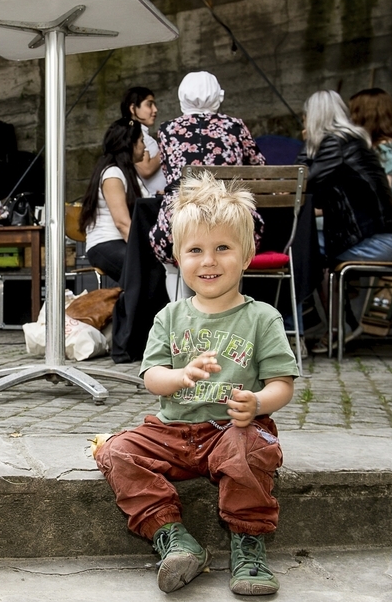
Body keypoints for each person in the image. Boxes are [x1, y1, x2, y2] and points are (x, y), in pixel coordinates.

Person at [94, 171, 297, 597]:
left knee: (252, 447)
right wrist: (181, 376)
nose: (209, 261)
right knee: (116, 450)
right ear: (177, 257)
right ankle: (173, 537)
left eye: (223, 248)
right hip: (172, 431)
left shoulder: (262, 318)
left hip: (230, 430)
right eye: (196, 250)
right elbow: (151, 377)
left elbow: (282, 384)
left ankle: (248, 544)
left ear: (246, 255)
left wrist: (258, 401)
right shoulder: (169, 317)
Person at [297, 90, 392, 350]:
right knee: (304, 248)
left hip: (374, 241)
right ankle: (332, 325)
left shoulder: (338, 145)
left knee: (298, 251)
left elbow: (301, 183)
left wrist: (307, 145)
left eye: (306, 116)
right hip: (376, 236)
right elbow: (311, 188)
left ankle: (306, 326)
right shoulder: (348, 143)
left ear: (314, 118)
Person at [151, 71, 266, 297]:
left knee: (172, 262)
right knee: (233, 252)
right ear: (217, 95)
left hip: (182, 216)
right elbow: (259, 169)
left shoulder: (167, 130)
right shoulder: (235, 126)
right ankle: (229, 312)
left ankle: (181, 320)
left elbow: (169, 174)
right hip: (229, 214)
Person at [78, 118, 149, 282]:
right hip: (105, 243)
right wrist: (147, 249)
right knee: (144, 268)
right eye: (141, 141)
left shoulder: (129, 173)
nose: (144, 146)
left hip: (121, 242)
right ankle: (125, 308)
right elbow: (122, 223)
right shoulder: (112, 174)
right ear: (129, 144)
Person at [348, 88, 392, 245]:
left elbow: (379, 195)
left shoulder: (383, 148)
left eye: (353, 112)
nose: (350, 120)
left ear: (366, 116)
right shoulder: (390, 145)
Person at [121, 86, 165, 194]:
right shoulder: (134, 135)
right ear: (133, 109)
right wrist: (166, 148)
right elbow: (146, 169)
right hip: (151, 203)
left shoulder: (143, 134)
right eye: (149, 104)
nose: (155, 110)